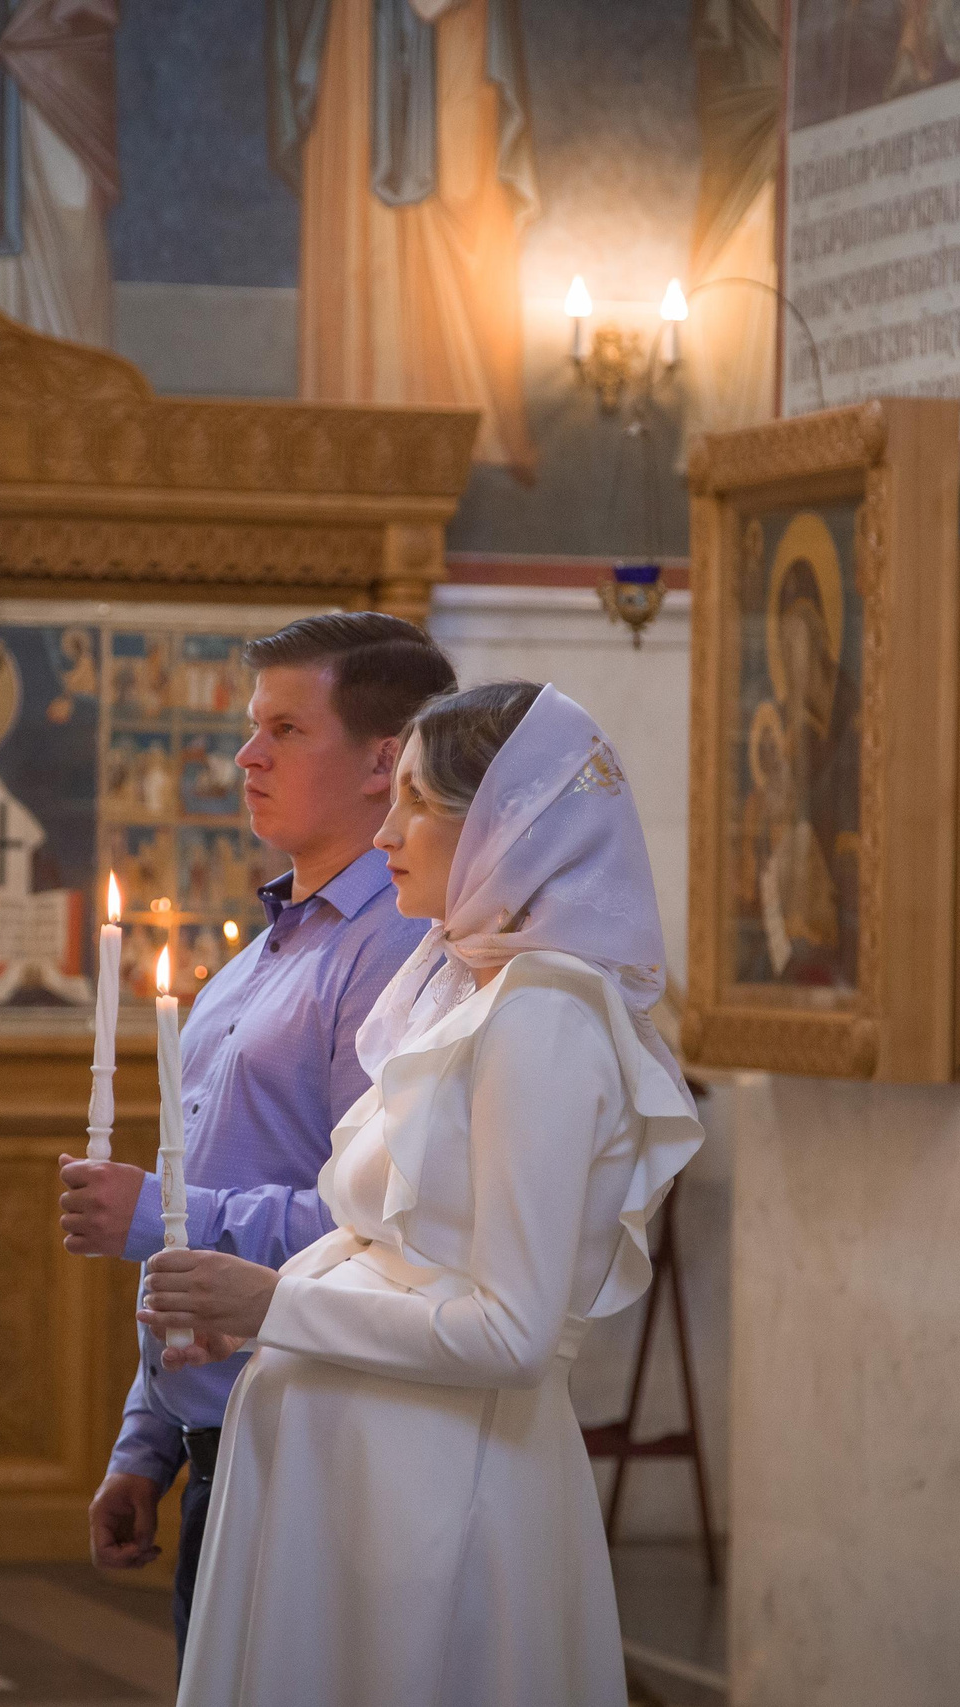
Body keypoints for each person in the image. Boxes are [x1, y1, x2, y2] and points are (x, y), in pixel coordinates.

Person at [138, 682, 705, 1707]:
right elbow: (393, 1253)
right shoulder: (466, 991)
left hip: (438, 1506)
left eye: (416, 805)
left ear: (504, 828)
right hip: (370, 1492)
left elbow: (513, 1334)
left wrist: (274, 1306)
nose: (387, 831)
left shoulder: (544, 1020)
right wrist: (260, 1327)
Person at [55, 613, 455, 1653]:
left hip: (320, 1439)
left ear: (382, 762)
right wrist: (147, 1442)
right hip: (218, 1431)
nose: (247, 755)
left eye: (284, 728)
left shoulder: (398, 953)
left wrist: (147, 1214)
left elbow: (381, 1228)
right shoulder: (254, 961)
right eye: (249, 727)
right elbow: (210, 1192)